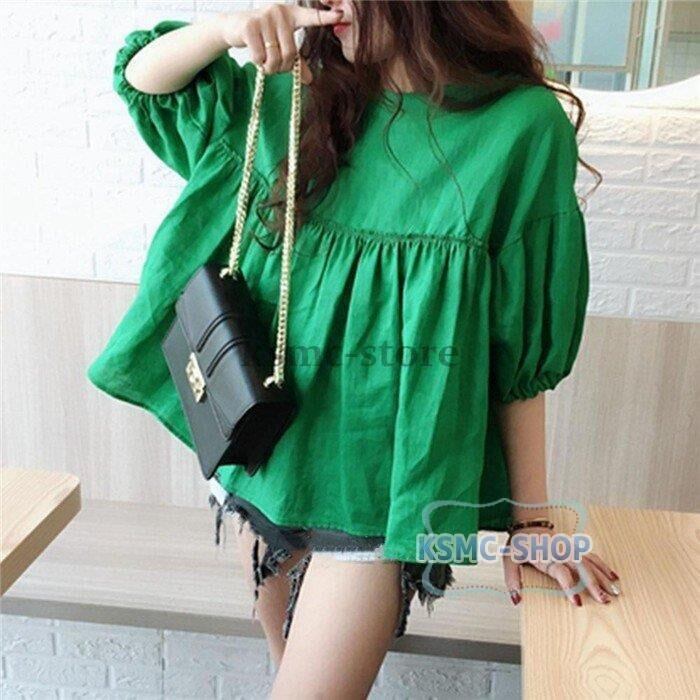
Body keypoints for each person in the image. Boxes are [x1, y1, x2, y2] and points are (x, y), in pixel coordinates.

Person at [87, 1, 621, 696]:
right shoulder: (295, 94)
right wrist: (226, 30)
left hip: (378, 501)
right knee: (283, 666)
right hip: (267, 463)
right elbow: (144, 80)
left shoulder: (519, 128)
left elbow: (520, 356)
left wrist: (534, 523)